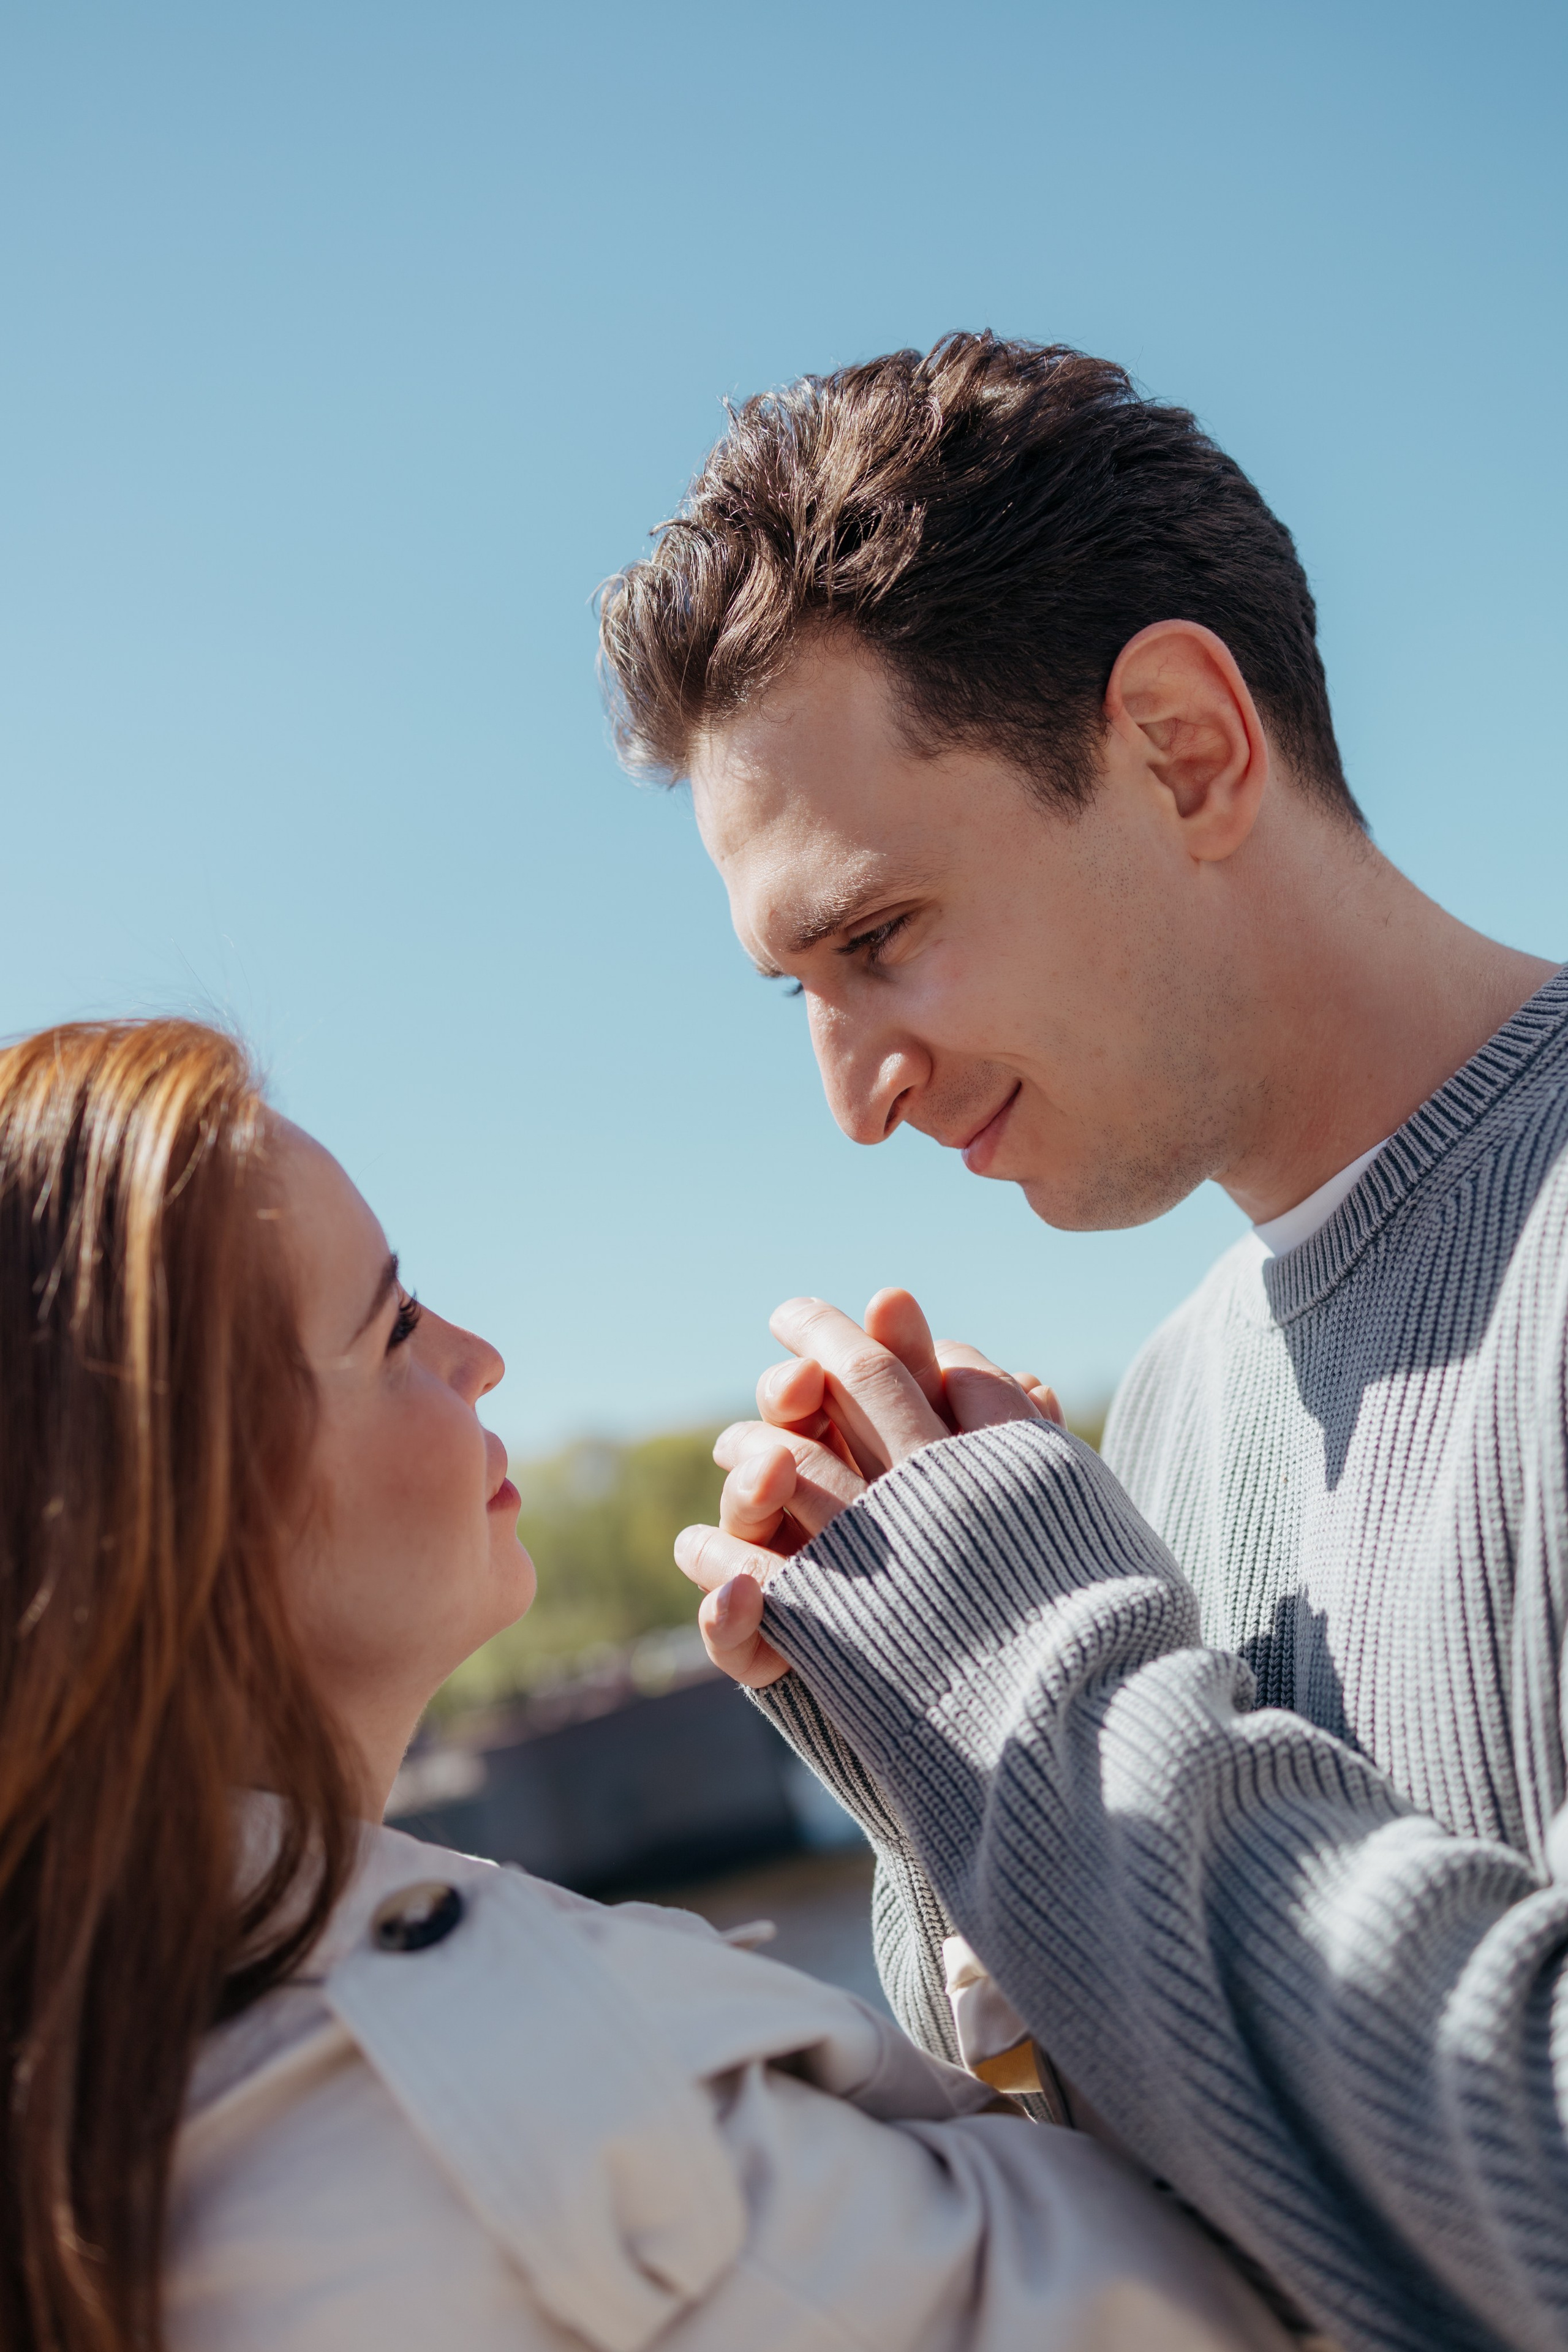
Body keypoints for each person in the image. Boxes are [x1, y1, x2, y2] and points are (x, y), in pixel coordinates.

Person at [597, 333, 1568, 2352]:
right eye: (793, 987)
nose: (850, 1092)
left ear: (1183, 748)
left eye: (875, 938)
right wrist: (943, 1779)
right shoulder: (1184, 1401)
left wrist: (1034, 1673)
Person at [0, 1017, 1288, 2352]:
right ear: (190, 1506)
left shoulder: (141, 2083)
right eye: (392, 1327)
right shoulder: (499, 2110)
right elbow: (1263, 2287)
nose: (476, 1354)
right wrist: (1021, 1644)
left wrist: (932, 1773)